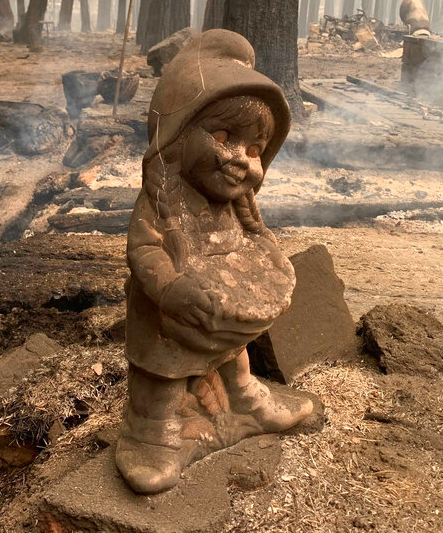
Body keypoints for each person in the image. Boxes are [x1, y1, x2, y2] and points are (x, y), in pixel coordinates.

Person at [117, 29, 314, 494]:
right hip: (168, 314)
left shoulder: (235, 203)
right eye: (223, 137)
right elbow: (143, 250)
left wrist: (265, 265)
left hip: (219, 314)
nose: (239, 161)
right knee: (163, 370)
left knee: (233, 354)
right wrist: (167, 288)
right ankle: (152, 430)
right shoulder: (162, 199)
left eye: (254, 150)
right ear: (177, 136)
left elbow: (256, 237)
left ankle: (243, 399)